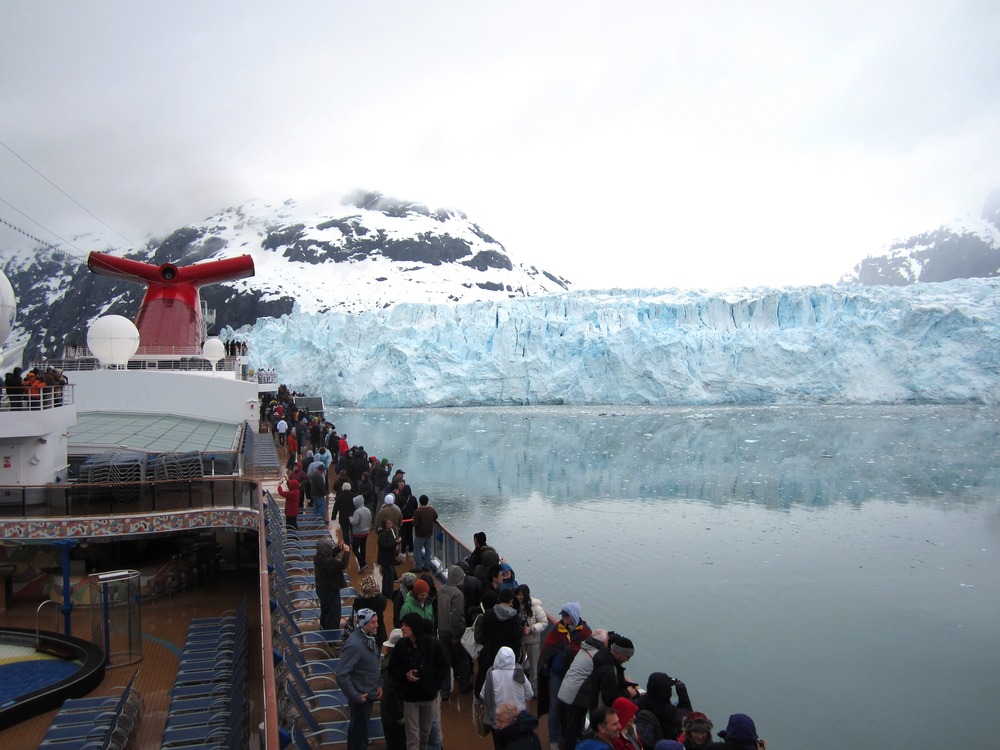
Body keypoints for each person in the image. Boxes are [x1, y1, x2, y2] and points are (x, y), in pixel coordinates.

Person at [388, 613, 449, 750]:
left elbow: (444, 665)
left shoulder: (432, 644)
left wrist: (435, 684)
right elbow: (392, 668)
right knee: (412, 737)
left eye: (405, 625)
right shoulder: (401, 645)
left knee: (425, 735)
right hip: (410, 697)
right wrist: (405, 675)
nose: (402, 628)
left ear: (414, 627)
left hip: (428, 696)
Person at [539, 602, 592, 750]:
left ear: (573, 616)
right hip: (556, 674)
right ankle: (554, 740)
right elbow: (548, 648)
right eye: (562, 615)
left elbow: (588, 652)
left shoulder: (585, 632)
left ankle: (567, 735)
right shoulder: (557, 629)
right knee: (555, 706)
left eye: (566, 615)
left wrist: (569, 650)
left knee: (570, 707)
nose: (563, 618)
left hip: (574, 676)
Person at [336, 608, 383, 750]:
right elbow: (341, 674)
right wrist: (356, 696)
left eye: (377, 621)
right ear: (364, 624)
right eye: (373, 622)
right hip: (361, 699)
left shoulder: (367, 639)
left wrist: (379, 684)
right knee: (359, 738)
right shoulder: (354, 646)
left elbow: (374, 665)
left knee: (360, 733)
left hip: (368, 693)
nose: (377, 625)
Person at [476, 588, 522, 698]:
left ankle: (481, 696)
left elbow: (484, 632)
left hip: (491, 650)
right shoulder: (514, 616)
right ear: (511, 601)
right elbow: (517, 636)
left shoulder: (489, 614)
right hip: (509, 651)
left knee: (486, 673)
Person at [481, 646, 534, 737]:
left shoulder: (492, 675)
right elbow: (530, 693)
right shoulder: (519, 673)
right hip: (518, 718)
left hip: (500, 721)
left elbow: (483, 695)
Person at [436, 564, 471, 698]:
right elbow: (456, 616)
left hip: (442, 631)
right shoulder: (458, 594)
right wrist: (457, 635)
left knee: (445, 662)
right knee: (463, 659)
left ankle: (445, 692)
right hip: (455, 633)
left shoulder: (441, 591)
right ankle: (464, 685)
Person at [636, 673, 692, 741]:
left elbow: (655, 686)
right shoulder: (671, 712)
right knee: (678, 704)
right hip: (665, 739)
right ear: (667, 692)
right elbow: (689, 714)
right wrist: (682, 692)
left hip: (648, 736)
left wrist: (667, 682)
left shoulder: (642, 700)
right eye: (669, 688)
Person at [515, 583, 548, 694]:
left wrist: (531, 628)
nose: (519, 597)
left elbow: (544, 622)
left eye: (521, 595)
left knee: (534, 668)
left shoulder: (536, 608)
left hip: (533, 641)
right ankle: (520, 689)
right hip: (520, 641)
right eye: (517, 595)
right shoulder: (516, 606)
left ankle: (534, 691)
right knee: (519, 665)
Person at [314, 537, 350, 631]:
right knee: (334, 614)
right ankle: (332, 637)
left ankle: (324, 629)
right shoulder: (327, 562)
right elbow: (342, 565)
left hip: (321, 589)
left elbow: (330, 555)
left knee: (325, 611)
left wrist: (338, 548)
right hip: (330, 590)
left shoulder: (318, 557)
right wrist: (346, 552)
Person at [354, 574, 389, 649]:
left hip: (363, 631)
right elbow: (383, 608)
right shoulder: (382, 600)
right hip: (378, 630)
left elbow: (356, 610)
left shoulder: (358, 600)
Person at [411, 495, 438, 572]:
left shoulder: (418, 511)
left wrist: (413, 521)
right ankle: (427, 566)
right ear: (427, 501)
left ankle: (418, 567)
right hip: (428, 533)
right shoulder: (431, 509)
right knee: (428, 550)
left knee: (417, 550)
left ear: (419, 501)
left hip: (420, 534)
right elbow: (436, 516)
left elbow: (415, 523)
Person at [377, 516, 401, 597]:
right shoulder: (383, 534)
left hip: (389, 557)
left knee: (387, 574)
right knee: (389, 574)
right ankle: (388, 592)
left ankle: (385, 591)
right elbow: (383, 546)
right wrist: (395, 542)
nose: (391, 524)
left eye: (391, 523)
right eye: (389, 523)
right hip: (385, 558)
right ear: (385, 525)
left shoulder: (390, 531)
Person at [350, 494, 373, 570]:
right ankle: (362, 564)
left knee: (355, 549)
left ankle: (363, 563)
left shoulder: (357, 512)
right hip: (366, 532)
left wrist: (350, 519)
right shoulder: (367, 510)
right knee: (363, 548)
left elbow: (355, 522)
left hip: (357, 533)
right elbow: (370, 519)